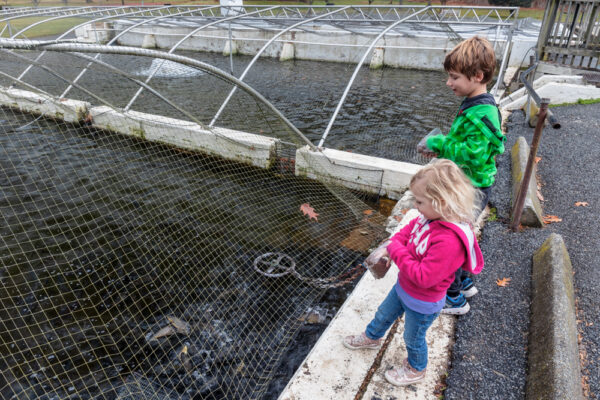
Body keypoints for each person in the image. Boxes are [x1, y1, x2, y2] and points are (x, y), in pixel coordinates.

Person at [343, 159, 484, 386]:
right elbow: (407, 231)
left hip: (423, 301)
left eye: (419, 201)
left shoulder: (449, 240)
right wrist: (394, 244)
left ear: (441, 202)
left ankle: (417, 368)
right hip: (403, 288)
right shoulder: (430, 217)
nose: (415, 206)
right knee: (383, 314)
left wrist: (395, 250)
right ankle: (371, 337)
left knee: (413, 337)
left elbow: (423, 276)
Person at [418, 36, 505, 315]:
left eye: (454, 77)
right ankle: (465, 281)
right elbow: (467, 147)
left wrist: (439, 144)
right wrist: (444, 154)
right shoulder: (474, 102)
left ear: (477, 76)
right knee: (463, 233)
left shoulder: (481, 112)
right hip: (467, 183)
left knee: (451, 240)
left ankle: (452, 297)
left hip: (471, 187)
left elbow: (474, 155)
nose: (449, 83)